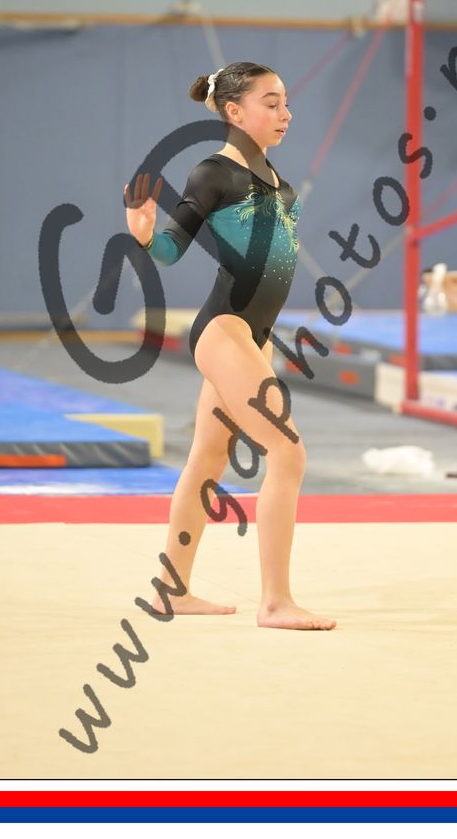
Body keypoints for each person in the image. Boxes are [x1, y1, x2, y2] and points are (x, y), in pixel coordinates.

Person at [124, 61, 335, 631]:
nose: (285, 112)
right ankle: (276, 602)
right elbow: (171, 250)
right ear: (234, 111)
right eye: (272, 102)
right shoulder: (214, 172)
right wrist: (144, 234)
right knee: (288, 452)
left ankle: (171, 591)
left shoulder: (273, 176)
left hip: (252, 336)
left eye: (286, 101)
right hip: (226, 329)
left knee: (209, 458)